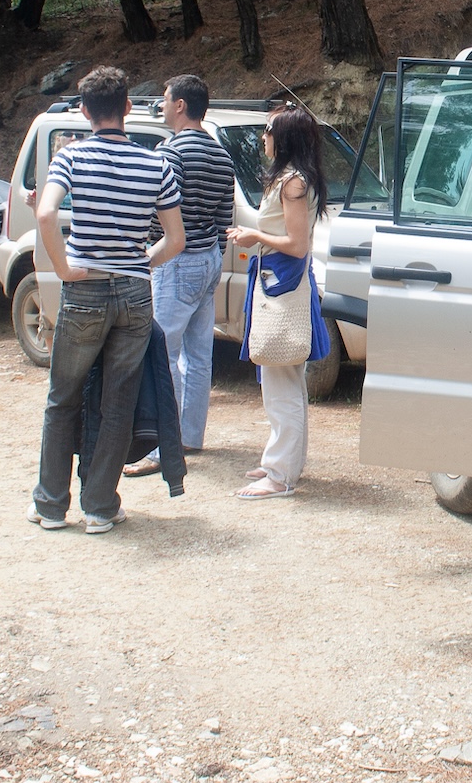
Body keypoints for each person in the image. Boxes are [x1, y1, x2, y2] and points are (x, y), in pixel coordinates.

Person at [31, 66, 185, 534]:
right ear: (128, 108)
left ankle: (51, 506)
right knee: (117, 402)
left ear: (83, 112)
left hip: (85, 288)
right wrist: (142, 263)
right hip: (135, 295)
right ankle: (100, 506)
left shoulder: (70, 158)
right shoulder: (156, 163)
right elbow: (174, 239)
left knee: (63, 397)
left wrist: (62, 268)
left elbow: (45, 212)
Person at [124, 74, 236, 477]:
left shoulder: (169, 153)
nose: (161, 106)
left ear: (181, 106)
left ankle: (160, 447)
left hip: (178, 259)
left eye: (165, 100)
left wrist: (152, 250)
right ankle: (190, 436)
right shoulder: (222, 155)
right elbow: (226, 215)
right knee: (199, 354)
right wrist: (214, 256)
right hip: (209, 259)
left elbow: (159, 210)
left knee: (163, 354)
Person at [226, 105, 329, 501]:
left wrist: (256, 238)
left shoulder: (293, 183)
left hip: (282, 283)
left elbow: (297, 244)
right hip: (278, 281)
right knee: (284, 381)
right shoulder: (293, 180)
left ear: (283, 137)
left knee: (281, 382)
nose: (263, 137)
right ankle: (282, 463)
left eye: (268, 130)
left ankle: (280, 474)